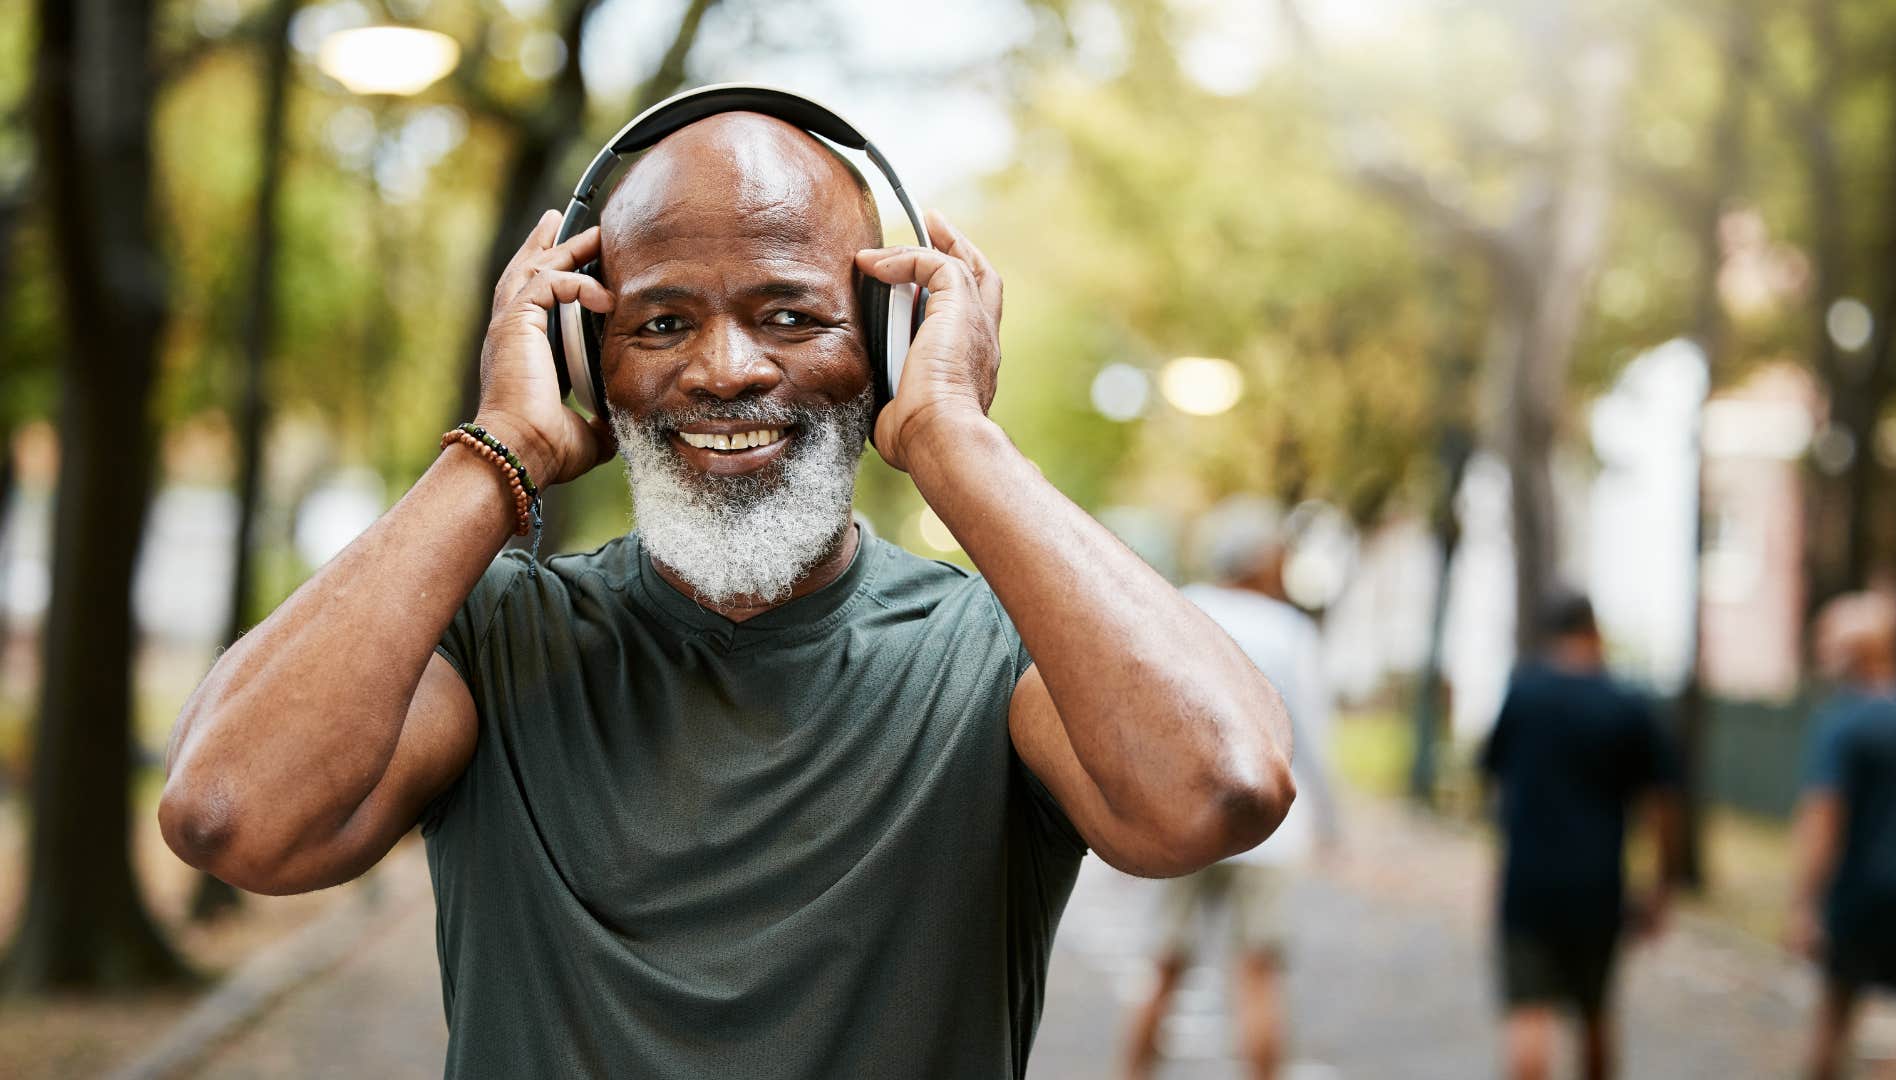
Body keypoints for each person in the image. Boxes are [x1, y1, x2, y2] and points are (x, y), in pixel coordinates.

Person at [156, 99, 1297, 1078]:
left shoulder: (1006, 655)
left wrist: (956, 437)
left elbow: (1222, 788)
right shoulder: (491, 633)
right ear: (583, 361)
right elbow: (232, 817)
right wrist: (500, 442)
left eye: (790, 315)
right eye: (660, 323)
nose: (726, 370)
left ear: (892, 343)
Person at [1122, 500, 1341, 1080]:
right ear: (1260, 561)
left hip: (1185, 817)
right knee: (1259, 972)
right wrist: (1333, 825)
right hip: (1271, 826)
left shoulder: (1181, 606)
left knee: (1165, 965)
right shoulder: (1291, 630)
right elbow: (1314, 738)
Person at [1478, 593, 1679, 1080]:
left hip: (1528, 880)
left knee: (1529, 1011)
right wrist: (1660, 885)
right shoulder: (1628, 703)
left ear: (1552, 634)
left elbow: (1492, 775)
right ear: (1595, 632)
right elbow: (1662, 803)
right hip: (1598, 883)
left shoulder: (1524, 692)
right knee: (1595, 1013)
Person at [1789, 592, 1896, 1080]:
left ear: (1857, 653)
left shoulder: (1841, 724)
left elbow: (1823, 818)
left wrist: (1803, 905)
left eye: (1831, 642)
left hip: (1860, 897)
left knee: (1832, 1026)